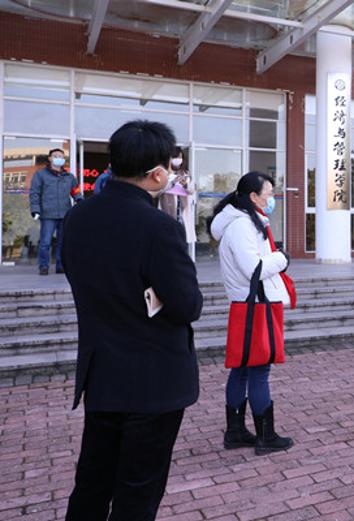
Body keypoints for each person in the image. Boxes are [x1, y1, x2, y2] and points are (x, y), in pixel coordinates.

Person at [61, 120, 202, 521]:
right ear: (157, 174)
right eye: (169, 168)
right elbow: (187, 305)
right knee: (137, 493)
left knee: (92, 483)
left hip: (102, 374)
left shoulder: (78, 217)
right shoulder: (158, 227)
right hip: (152, 382)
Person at [210, 171, 294, 455]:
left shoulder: (241, 221)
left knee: (244, 369)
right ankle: (265, 437)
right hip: (256, 305)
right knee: (258, 370)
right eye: (268, 194)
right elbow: (254, 268)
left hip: (248, 304)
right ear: (253, 197)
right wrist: (281, 258)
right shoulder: (242, 225)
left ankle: (236, 432)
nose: (272, 199)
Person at [29, 148, 82, 275]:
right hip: (48, 214)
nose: (59, 158)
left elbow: (75, 191)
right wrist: (35, 210)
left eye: (61, 156)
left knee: (62, 243)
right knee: (45, 242)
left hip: (65, 213)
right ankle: (43, 266)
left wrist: (80, 201)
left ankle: (60, 266)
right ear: (50, 158)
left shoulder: (69, 177)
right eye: (55, 156)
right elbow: (35, 193)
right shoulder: (40, 175)